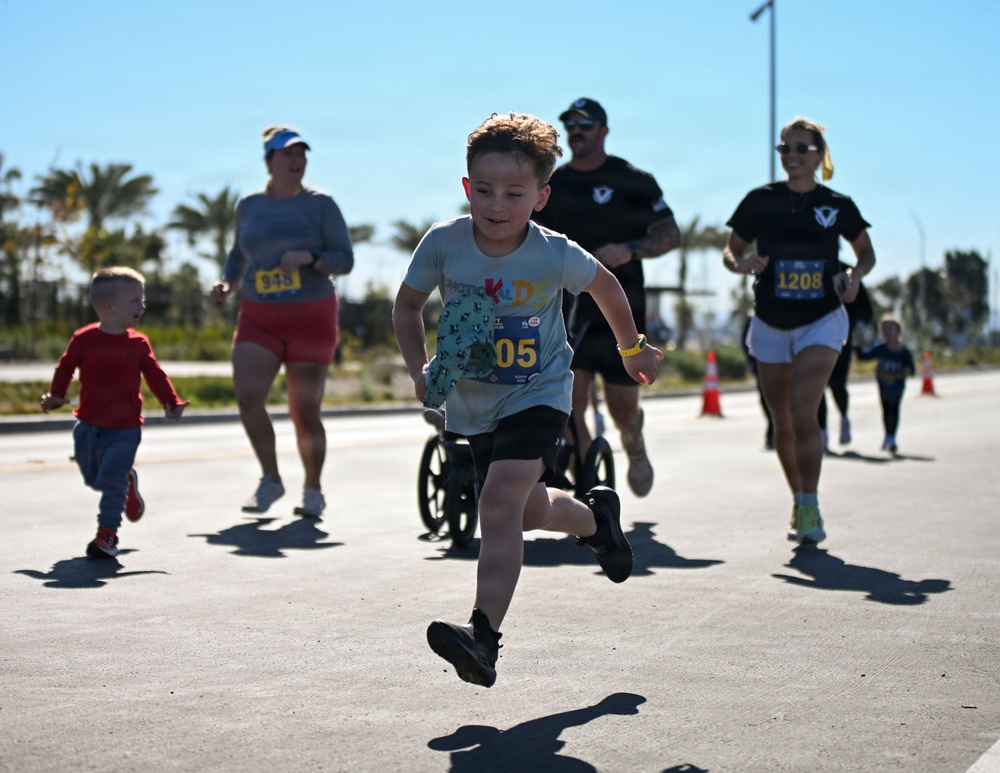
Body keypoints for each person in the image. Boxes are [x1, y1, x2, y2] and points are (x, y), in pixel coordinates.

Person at [392, 112, 661, 687]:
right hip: (474, 404)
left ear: (540, 196)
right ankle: (595, 521)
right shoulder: (443, 243)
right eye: (483, 190)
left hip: (540, 394)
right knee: (527, 509)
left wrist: (632, 348)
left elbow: (605, 287)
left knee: (497, 502)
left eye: (513, 193)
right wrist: (418, 368)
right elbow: (406, 305)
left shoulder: (551, 252)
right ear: (466, 187)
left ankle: (482, 638)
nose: (496, 204)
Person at [722, 116, 876, 545]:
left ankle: (810, 501)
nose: (791, 156)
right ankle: (800, 501)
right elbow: (730, 251)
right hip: (770, 321)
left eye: (800, 149)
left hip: (821, 321)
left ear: (818, 155)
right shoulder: (760, 201)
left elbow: (866, 254)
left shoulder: (837, 204)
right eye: (784, 149)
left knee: (801, 408)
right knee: (782, 421)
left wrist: (854, 274)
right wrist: (742, 263)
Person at [533, 98, 680, 498]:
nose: (576, 130)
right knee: (568, 405)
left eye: (586, 124)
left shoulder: (633, 179)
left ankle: (635, 447)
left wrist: (631, 248)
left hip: (620, 313)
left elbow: (671, 234)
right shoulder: (554, 184)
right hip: (568, 312)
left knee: (623, 412)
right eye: (571, 124)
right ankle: (585, 483)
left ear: (603, 130)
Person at [211, 126, 354, 518]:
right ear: (270, 161)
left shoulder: (322, 205)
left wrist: (310, 256)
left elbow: (344, 258)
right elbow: (237, 256)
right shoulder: (249, 207)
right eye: (288, 155)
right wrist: (227, 282)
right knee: (248, 399)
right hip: (258, 315)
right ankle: (270, 479)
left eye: (301, 154)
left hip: (311, 316)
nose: (297, 161)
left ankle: (313, 489)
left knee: (304, 412)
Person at [40, 267, 190, 558]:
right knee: (94, 479)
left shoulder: (138, 343)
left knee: (111, 479)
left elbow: (155, 375)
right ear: (107, 307)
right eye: (134, 300)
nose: (142, 306)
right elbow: (65, 367)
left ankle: (107, 534)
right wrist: (57, 396)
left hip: (125, 428)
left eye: (142, 300)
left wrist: (170, 402)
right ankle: (127, 482)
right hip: (88, 426)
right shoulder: (83, 339)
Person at [817, 263, 873, 450]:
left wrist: (859, 326)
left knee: (837, 384)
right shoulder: (809, 267)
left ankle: (844, 418)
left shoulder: (846, 271)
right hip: (813, 338)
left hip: (842, 339)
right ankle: (822, 432)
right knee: (816, 387)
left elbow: (865, 308)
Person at [855, 314, 915, 453]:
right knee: (886, 410)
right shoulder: (880, 348)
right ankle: (888, 436)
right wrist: (858, 345)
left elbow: (912, 370)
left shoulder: (904, 352)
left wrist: (906, 371)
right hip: (883, 386)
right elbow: (863, 357)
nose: (887, 331)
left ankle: (892, 438)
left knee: (894, 409)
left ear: (898, 330)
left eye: (890, 328)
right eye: (884, 328)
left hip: (897, 386)